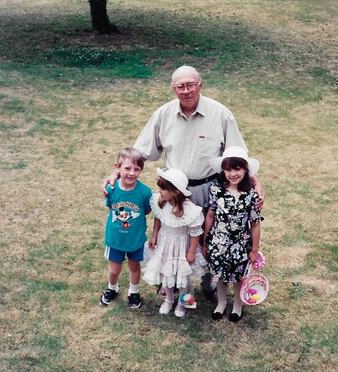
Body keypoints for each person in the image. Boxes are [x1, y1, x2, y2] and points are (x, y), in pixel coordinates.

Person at [104, 65, 265, 299]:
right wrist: (116, 172)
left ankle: (211, 281)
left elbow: (236, 154)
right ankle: (174, 283)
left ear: (200, 84)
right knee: (173, 235)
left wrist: (255, 180)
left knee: (211, 235)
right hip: (174, 190)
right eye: (180, 86)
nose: (186, 90)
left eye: (191, 84)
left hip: (210, 187)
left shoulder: (221, 114)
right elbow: (140, 151)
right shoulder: (163, 114)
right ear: (173, 88)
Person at [203, 147, 263, 323]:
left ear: (245, 170)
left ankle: (238, 305)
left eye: (237, 169)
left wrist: (254, 249)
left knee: (237, 277)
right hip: (219, 242)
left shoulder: (250, 194)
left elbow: (255, 223)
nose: (233, 174)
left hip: (240, 244)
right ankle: (221, 303)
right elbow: (210, 215)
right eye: (228, 169)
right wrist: (206, 240)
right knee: (221, 276)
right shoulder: (216, 189)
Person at [142, 168, 207, 318]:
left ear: (176, 191)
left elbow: (195, 232)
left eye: (164, 189)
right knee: (166, 272)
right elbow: (159, 218)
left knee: (182, 276)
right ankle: (169, 299)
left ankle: (182, 303)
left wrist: (191, 252)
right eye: (160, 187)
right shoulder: (161, 202)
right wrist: (154, 235)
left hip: (181, 246)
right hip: (165, 243)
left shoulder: (189, 210)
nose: (160, 191)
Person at [100, 148, 152, 309]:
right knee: (114, 269)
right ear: (118, 167)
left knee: (134, 266)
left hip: (135, 239)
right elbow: (111, 208)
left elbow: (147, 210)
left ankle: (134, 292)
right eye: (127, 168)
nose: (131, 173)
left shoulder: (145, 192)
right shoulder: (111, 189)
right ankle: (112, 288)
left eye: (136, 169)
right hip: (115, 239)